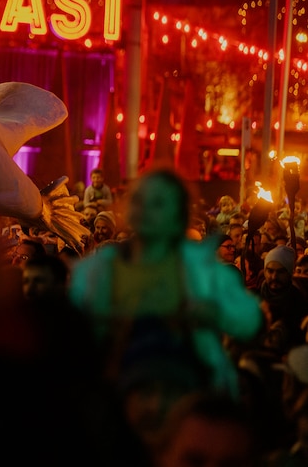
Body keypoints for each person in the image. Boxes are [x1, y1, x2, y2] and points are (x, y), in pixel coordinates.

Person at [68, 167, 263, 400]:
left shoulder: (204, 270)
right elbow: (76, 335)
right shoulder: (99, 269)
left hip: (187, 396)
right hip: (118, 395)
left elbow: (252, 324)